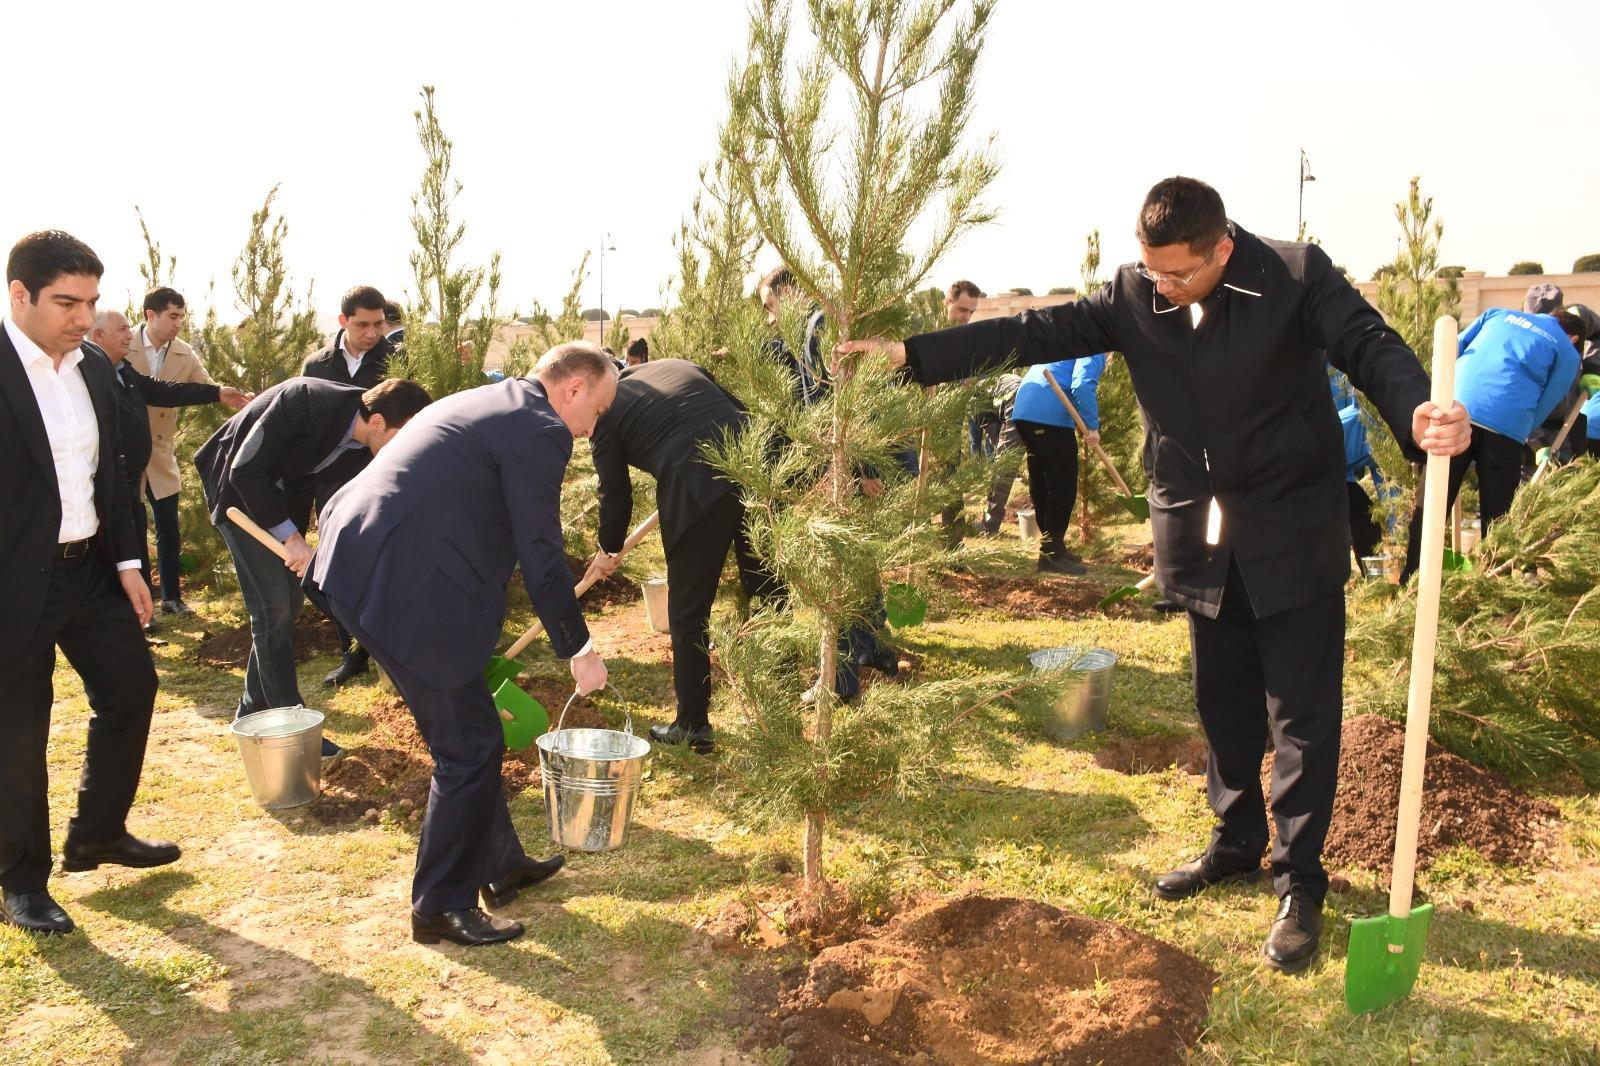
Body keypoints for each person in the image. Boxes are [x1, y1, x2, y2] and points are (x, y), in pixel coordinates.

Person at [839, 177, 1471, 974]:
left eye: (1179, 274)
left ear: (1222, 249)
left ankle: (1299, 882)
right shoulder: (1136, 292)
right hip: (1200, 532)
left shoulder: (1295, 277)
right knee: (1222, 697)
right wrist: (911, 357)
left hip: (1288, 527)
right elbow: (1037, 331)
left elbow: (1371, 346)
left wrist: (1418, 410)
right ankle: (1236, 842)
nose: (1162, 288)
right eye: (1151, 271)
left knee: (1301, 714)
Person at [308, 343, 616, 947]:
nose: (592, 427)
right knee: (469, 746)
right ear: (573, 389)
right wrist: (577, 647)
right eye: (598, 410)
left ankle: (498, 867)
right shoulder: (539, 428)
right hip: (398, 583)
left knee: (470, 725)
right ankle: (439, 907)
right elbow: (540, 549)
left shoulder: (490, 401)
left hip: (362, 558)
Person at [1, 230, 179, 936]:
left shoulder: (97, 372)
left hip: (93, 573)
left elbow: (113, 479)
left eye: (92, 303)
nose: (83, 318)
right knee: (19, 734)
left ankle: (97, 832)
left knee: (132, 687)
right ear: (20, 295)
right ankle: (21, 880)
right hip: (15, 586)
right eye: (66, 302)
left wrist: (132, 564)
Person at [194, 377, 433, 767]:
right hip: (237, 492)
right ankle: (294, 727)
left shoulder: (362, 448)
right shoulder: (304, 402)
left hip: (280, 503)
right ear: (376, 423)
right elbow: (246, 471)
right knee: (273, 611)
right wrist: (291, 539)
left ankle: (251, 708)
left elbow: (342, 504)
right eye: (403, 437)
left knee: (285, 607)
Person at [584, 359, 783, 754]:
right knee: (765, 587)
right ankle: (780, 698)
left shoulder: (604, 411)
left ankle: (692, 723)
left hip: (696, 482)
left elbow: (615, 495)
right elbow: (740, 410)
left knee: (689, 611)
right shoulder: (677, 365)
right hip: (755, 469)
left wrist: (607, 549)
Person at [86, 310, 250, 628]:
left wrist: (216, 393)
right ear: (98, 336)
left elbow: (162, 390)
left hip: (130, 474)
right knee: (122, 542)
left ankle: (146, 607)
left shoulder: (123, 370)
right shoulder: (89, 376)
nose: (127, 335)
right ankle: (127, 613)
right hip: (110, 479)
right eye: (121, 329)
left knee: (141, 535)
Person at [1400, 307, 1582, 581]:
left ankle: (1411, 582)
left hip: (1455, 410)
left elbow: (1452, 347)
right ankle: (1494, 587)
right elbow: (1550, 399)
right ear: (1575, 337)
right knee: (1497, 517)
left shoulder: (1497, 314)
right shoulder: (1567, 351)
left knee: (1432, 503)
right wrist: (1523, 427)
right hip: (1507, 425)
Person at [299, 285, 400, 687]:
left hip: (381, 476)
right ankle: (351, 653)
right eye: (363, 325)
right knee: (337, 564)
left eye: (379, 324)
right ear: (343, 322)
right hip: (331, 480)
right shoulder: (317, 365)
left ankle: (387, 646)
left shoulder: (396, 361)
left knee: (382, 562)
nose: (373, 333)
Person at [126, 286, 214, 616]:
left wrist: (230, 396)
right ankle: (140, 600)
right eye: (172, 316)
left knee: (168, 527)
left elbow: (205, 387)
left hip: (161, 451)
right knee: (133, 529)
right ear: (151, 315)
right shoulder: (122, 345)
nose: (178, 324)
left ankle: (171, 597)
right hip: (126, 453)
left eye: (181, 317)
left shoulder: (184, 353)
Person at [1006, 354, 1109, 574]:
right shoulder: (1095, 346)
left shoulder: (1070, 340)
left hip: (1024, 409)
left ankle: (1054, 547)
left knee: (1042, 480)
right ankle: (1051, 553)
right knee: (1062, 482)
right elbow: (1081, 384)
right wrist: (1092, 426)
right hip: (1048, 411)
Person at [1329, 374, 1383, 562]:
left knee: (1365, 516)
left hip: (1340, 475)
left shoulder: (1370, 423)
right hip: (1316, 475)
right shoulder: (1376, 433)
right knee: (1360, 519)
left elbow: (1383, 484)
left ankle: (1370, 575)